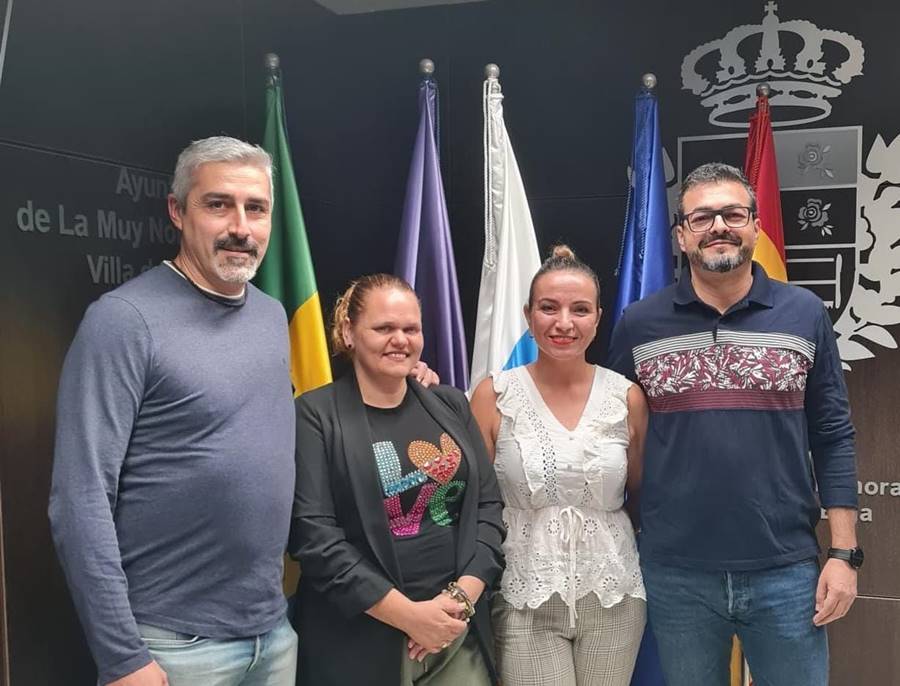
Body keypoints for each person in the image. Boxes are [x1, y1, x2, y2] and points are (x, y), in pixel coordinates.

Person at [607, 162, 860, 686]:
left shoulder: (804, 313)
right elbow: (609, 429)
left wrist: (842, 553)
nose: (718, 226)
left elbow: (832, 434)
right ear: (681, 236)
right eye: (701, 217)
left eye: (733, 214)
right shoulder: (639, 324)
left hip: (785, 570)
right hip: (676, 573)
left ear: (755, 226)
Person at [289, 273, 505, 686]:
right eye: (384, 328)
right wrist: (411, 617)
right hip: (359, 642)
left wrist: (460, 600)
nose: (400, 340)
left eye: (411, 329)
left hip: (457, 634)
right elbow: (314, 538)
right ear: (349, 332)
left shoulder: (450, 404)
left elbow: (488, 508)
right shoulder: (314, 415)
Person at [470, 245, 648, 686]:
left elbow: (641, 496)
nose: (564, 323)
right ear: (528, 315)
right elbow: (476, 503)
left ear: (598, 318)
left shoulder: (627, 397)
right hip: (524, 594)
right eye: (549, 308)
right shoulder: (494, 395)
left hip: (614, 593)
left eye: (580, 309)